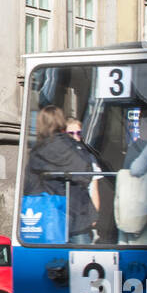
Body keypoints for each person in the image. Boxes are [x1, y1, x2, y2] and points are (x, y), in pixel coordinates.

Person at [24, 105, 96, 245]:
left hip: (50, 215)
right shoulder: (74, 146)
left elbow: (29, 186)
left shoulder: (37, 152)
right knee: (82, 258)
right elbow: (87, 174)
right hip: (77, 213)